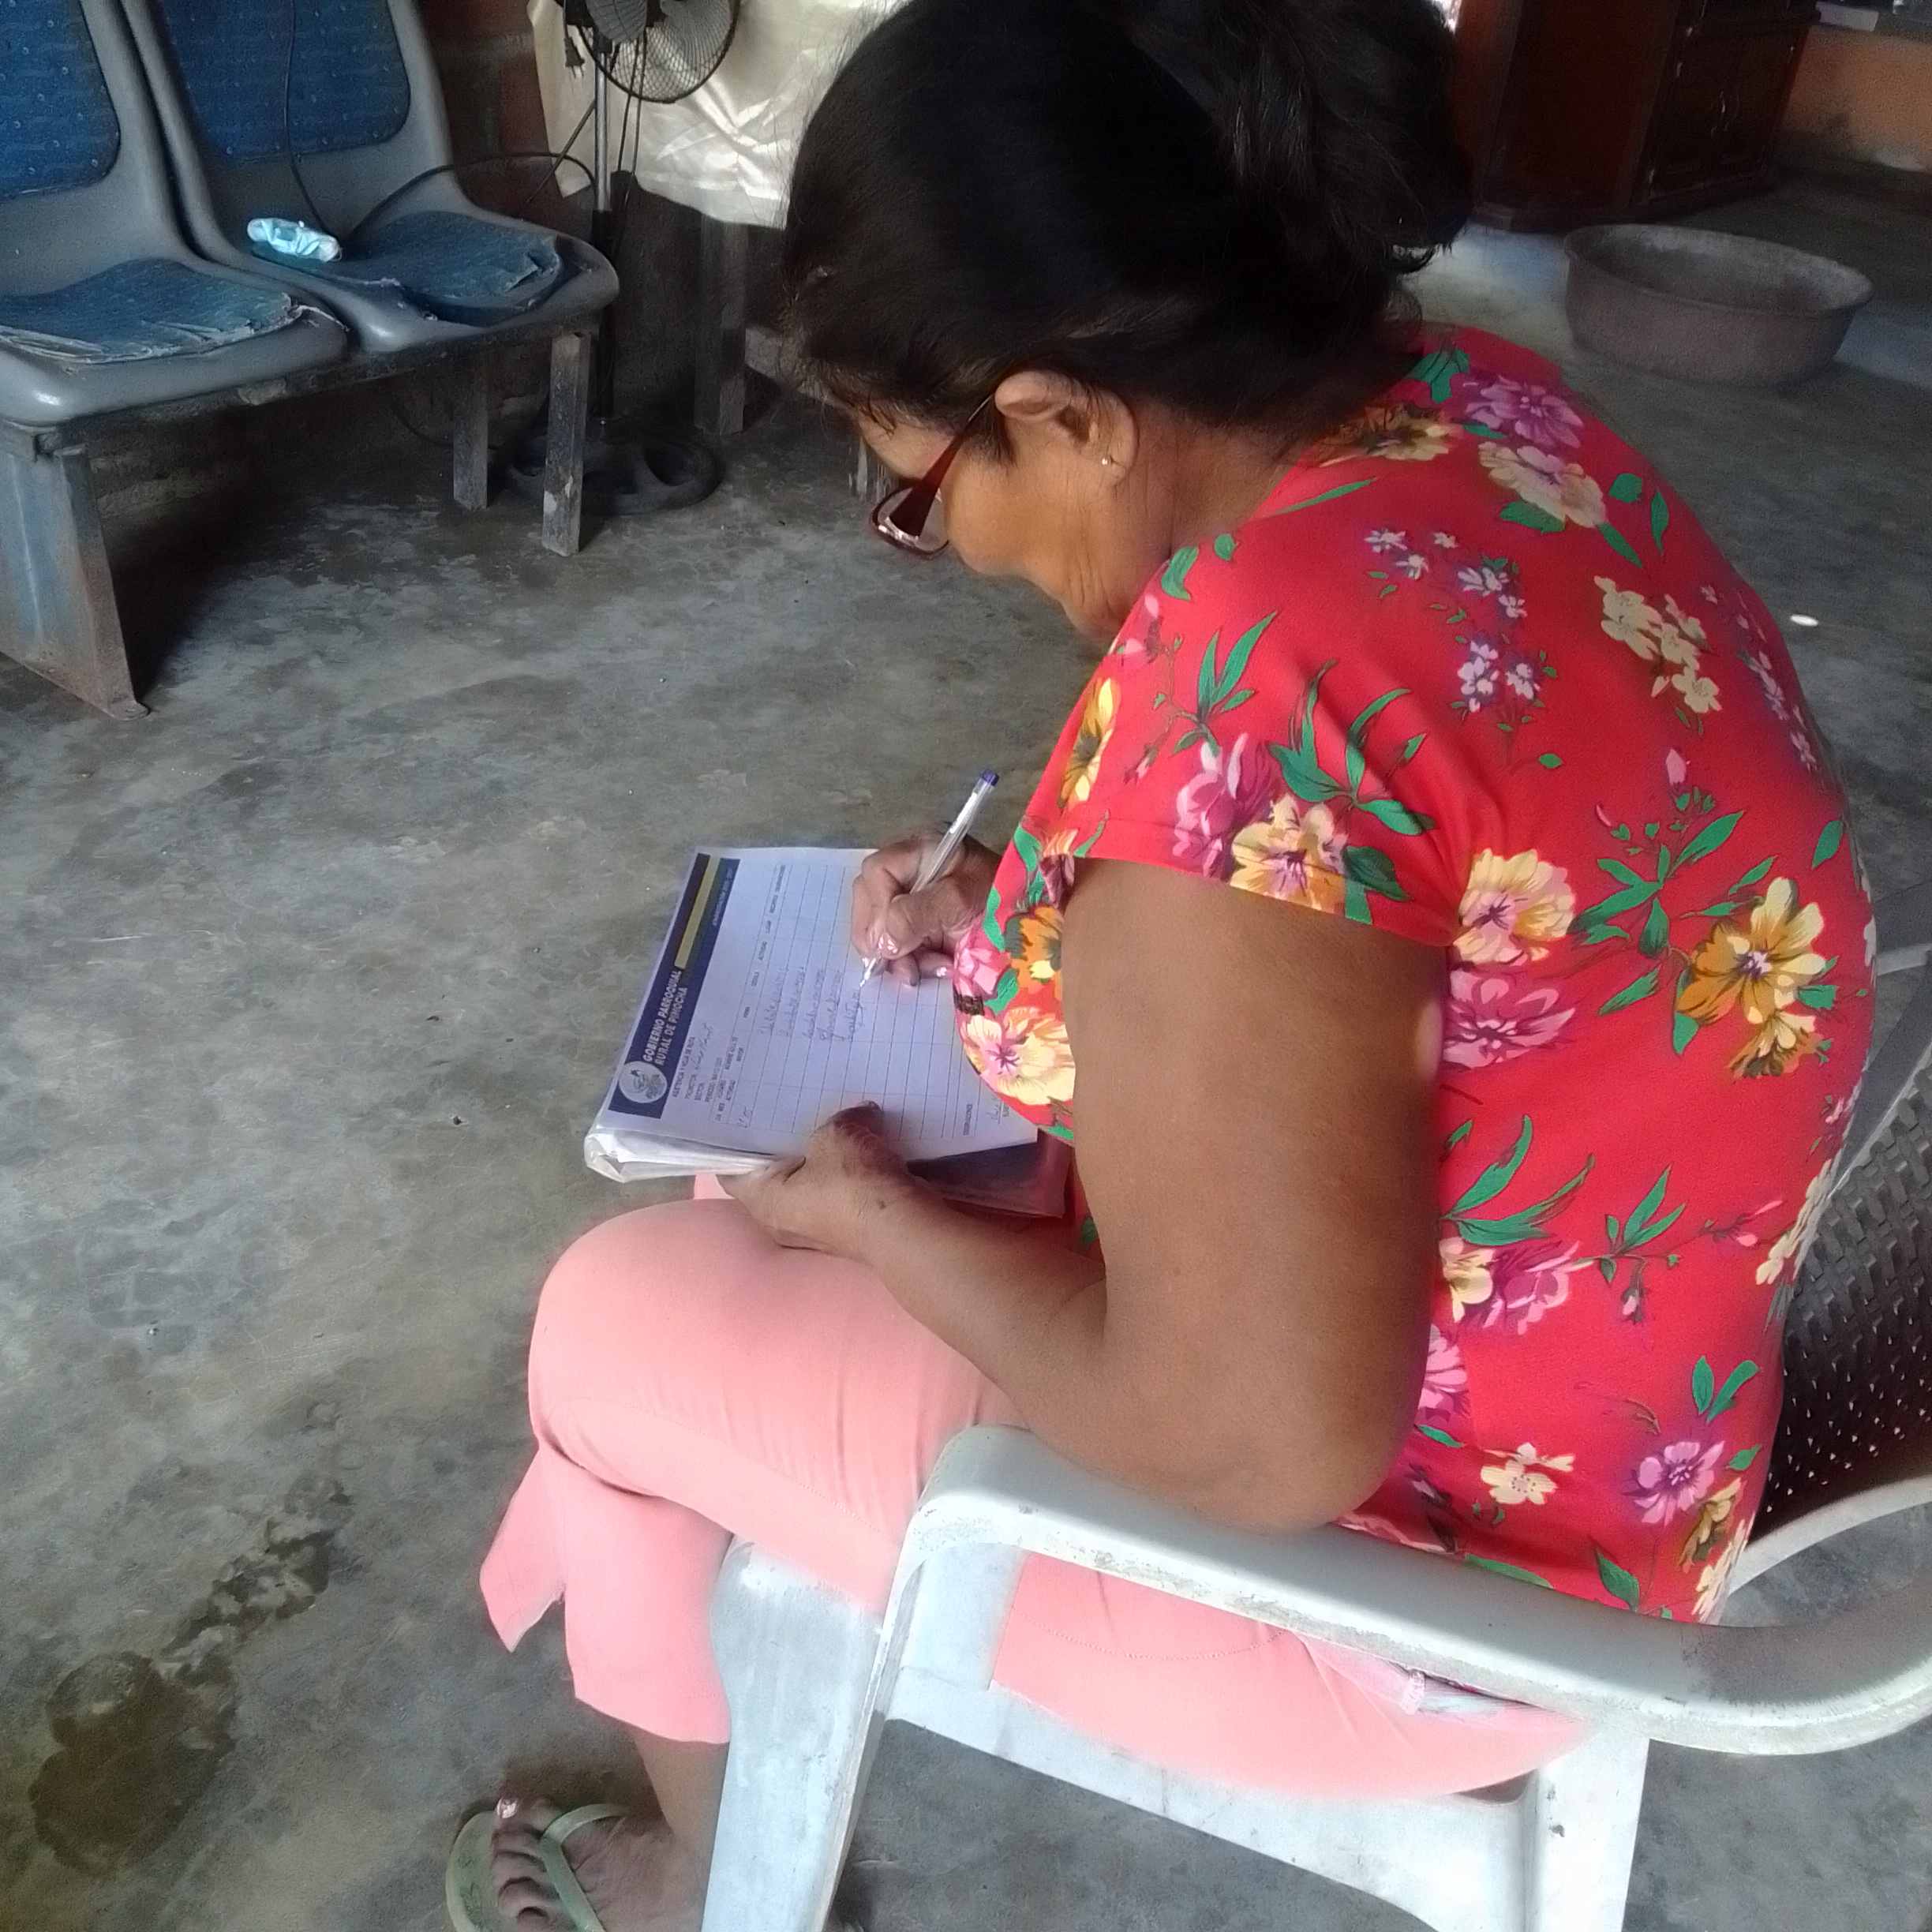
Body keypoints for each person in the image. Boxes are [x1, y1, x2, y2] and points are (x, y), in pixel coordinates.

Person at [462, 0, 1874, 1924]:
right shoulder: (1471, 425)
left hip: (1417, 1600)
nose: (945, 543)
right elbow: (1403, 906)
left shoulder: (1273, 710)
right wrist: (1045, 921)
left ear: (1067, 415)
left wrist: (883, 1226)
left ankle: (719, 1879)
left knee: (608, 1321)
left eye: (916, 491)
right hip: (1622, 1438)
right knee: (739, 1233)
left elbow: (1247, 1441)